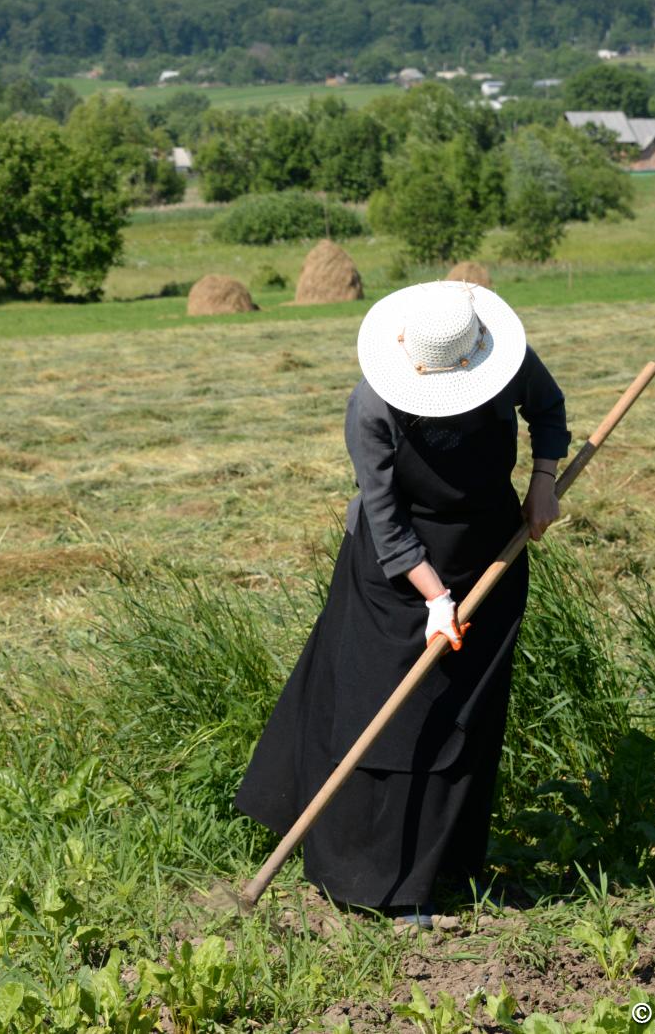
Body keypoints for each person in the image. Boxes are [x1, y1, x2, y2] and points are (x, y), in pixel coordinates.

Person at [234, 280, 569, 928]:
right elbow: (386, 525)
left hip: (490, 556)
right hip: (392, 579)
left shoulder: (504, 359)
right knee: (389, 718)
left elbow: (548, 409)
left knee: (467, 714)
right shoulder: (373, 406)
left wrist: (545, 480)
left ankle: (449, 867)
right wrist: (436, 600)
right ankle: (373, 879)